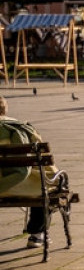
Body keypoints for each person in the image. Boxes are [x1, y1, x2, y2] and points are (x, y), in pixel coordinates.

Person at [0, 96, 58, 248]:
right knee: (44, 183)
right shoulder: (22, 128)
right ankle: (37, 235)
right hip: (19, 188)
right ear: (4, 109)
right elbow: (45, 164)